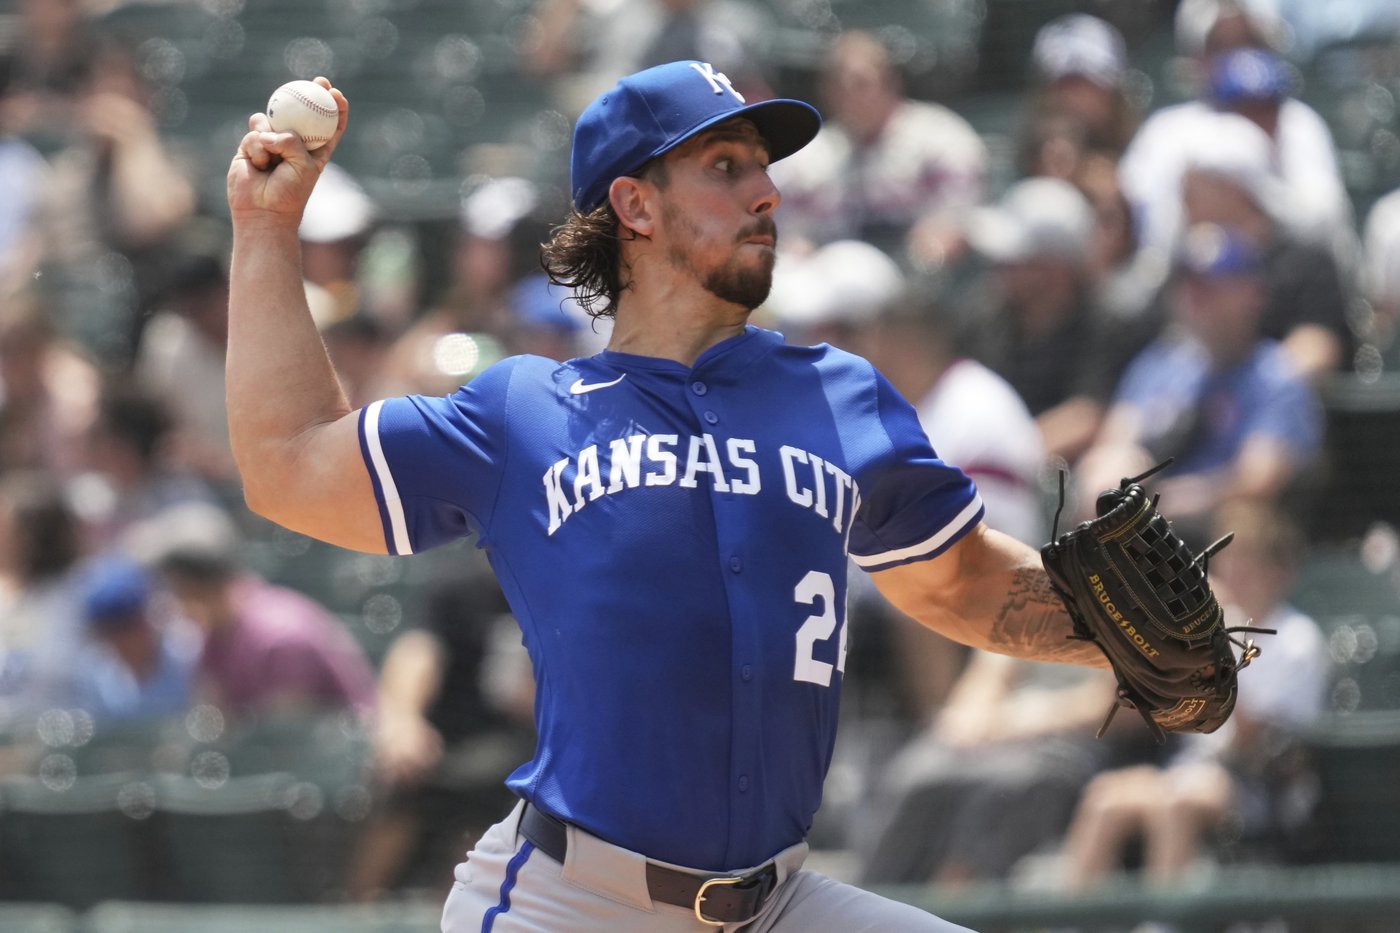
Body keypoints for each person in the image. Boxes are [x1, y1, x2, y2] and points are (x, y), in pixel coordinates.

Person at [225, 64, 1111, 932]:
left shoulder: (841, 395)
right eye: (725, 167)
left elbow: (959, 582)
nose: (765, 191)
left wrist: (1121, 638)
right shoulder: (523, 412)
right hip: (570, 905)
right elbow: (289, 465)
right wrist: (267, 231)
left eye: (763, 167)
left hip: (780, 902)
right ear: (635, 205)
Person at [1059, 502, 1330, 889]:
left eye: (1249, 561)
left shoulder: (1298, 640)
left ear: (1278, 572)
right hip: (1191, 771)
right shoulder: (1215, 624)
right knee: (1106, 799)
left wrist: (1216, 645)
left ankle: (1163, 926)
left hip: (1258, 787)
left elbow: (1252, 742)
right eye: (1231, 560)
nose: (1235, 572)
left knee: (1179, 800)